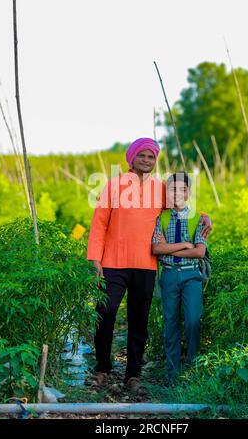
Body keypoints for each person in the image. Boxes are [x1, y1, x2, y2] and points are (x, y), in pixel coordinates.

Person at [87, 138, 212, 393]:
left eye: (151, 157)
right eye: (142, 155)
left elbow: (181, 207)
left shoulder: (160, 189)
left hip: (146, 264)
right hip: (113, 261)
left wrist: (205, 216)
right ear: (131, 158)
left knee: (139, 319)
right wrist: (95, 260)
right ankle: (102, 369)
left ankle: (132, 375)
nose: (146, 160)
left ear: (156, 161)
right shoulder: (114, 185)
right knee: (106, 311)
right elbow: (99, 224)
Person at [151, 171, 208, 386]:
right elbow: (156, 248)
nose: (177, 193)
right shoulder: (162, 218)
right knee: (171, 323)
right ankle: (173, 374)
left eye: (182, 189)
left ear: (188, 192)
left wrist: (169, 250)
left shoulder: (198, 218)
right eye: (173, 189)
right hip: (169, 276)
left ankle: (193, 369)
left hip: (191, 275)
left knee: (193, 319)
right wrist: (185, 245)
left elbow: (200, 252)